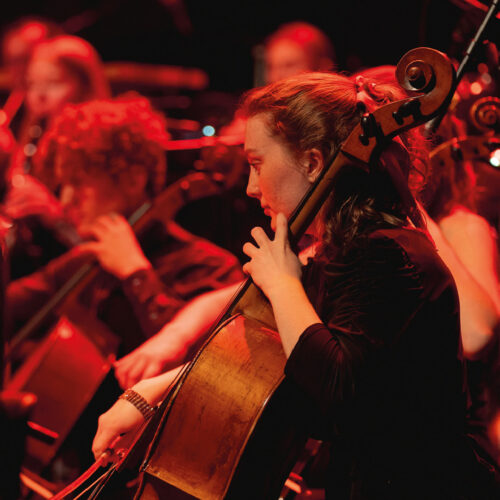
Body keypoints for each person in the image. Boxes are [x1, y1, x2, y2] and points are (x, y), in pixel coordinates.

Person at [93, 72, 499, 498]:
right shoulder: (341, 252)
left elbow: (336, 389)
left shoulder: (385, 253)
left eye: (257, 164)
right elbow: (264, 364)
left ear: (311, 162)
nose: (251, 187)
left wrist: (284, 283)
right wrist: (149, 395)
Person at [7, 95, 243, 358]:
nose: (66, 200)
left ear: (132, 180)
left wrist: (136, 274)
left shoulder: (208, 266)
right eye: (63, 186)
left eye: (80, 183)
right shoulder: (84, 261)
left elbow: (213, 360)